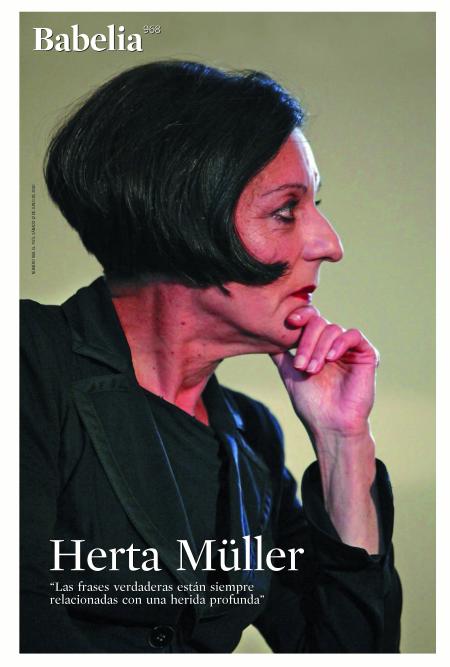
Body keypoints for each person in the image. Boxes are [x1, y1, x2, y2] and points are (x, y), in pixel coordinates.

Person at [20, 60, 402, 653]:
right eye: (285, 211)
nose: (330, 244)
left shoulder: (253, 437)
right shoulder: (25, 360)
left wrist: (342, 443)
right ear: (180, 218)